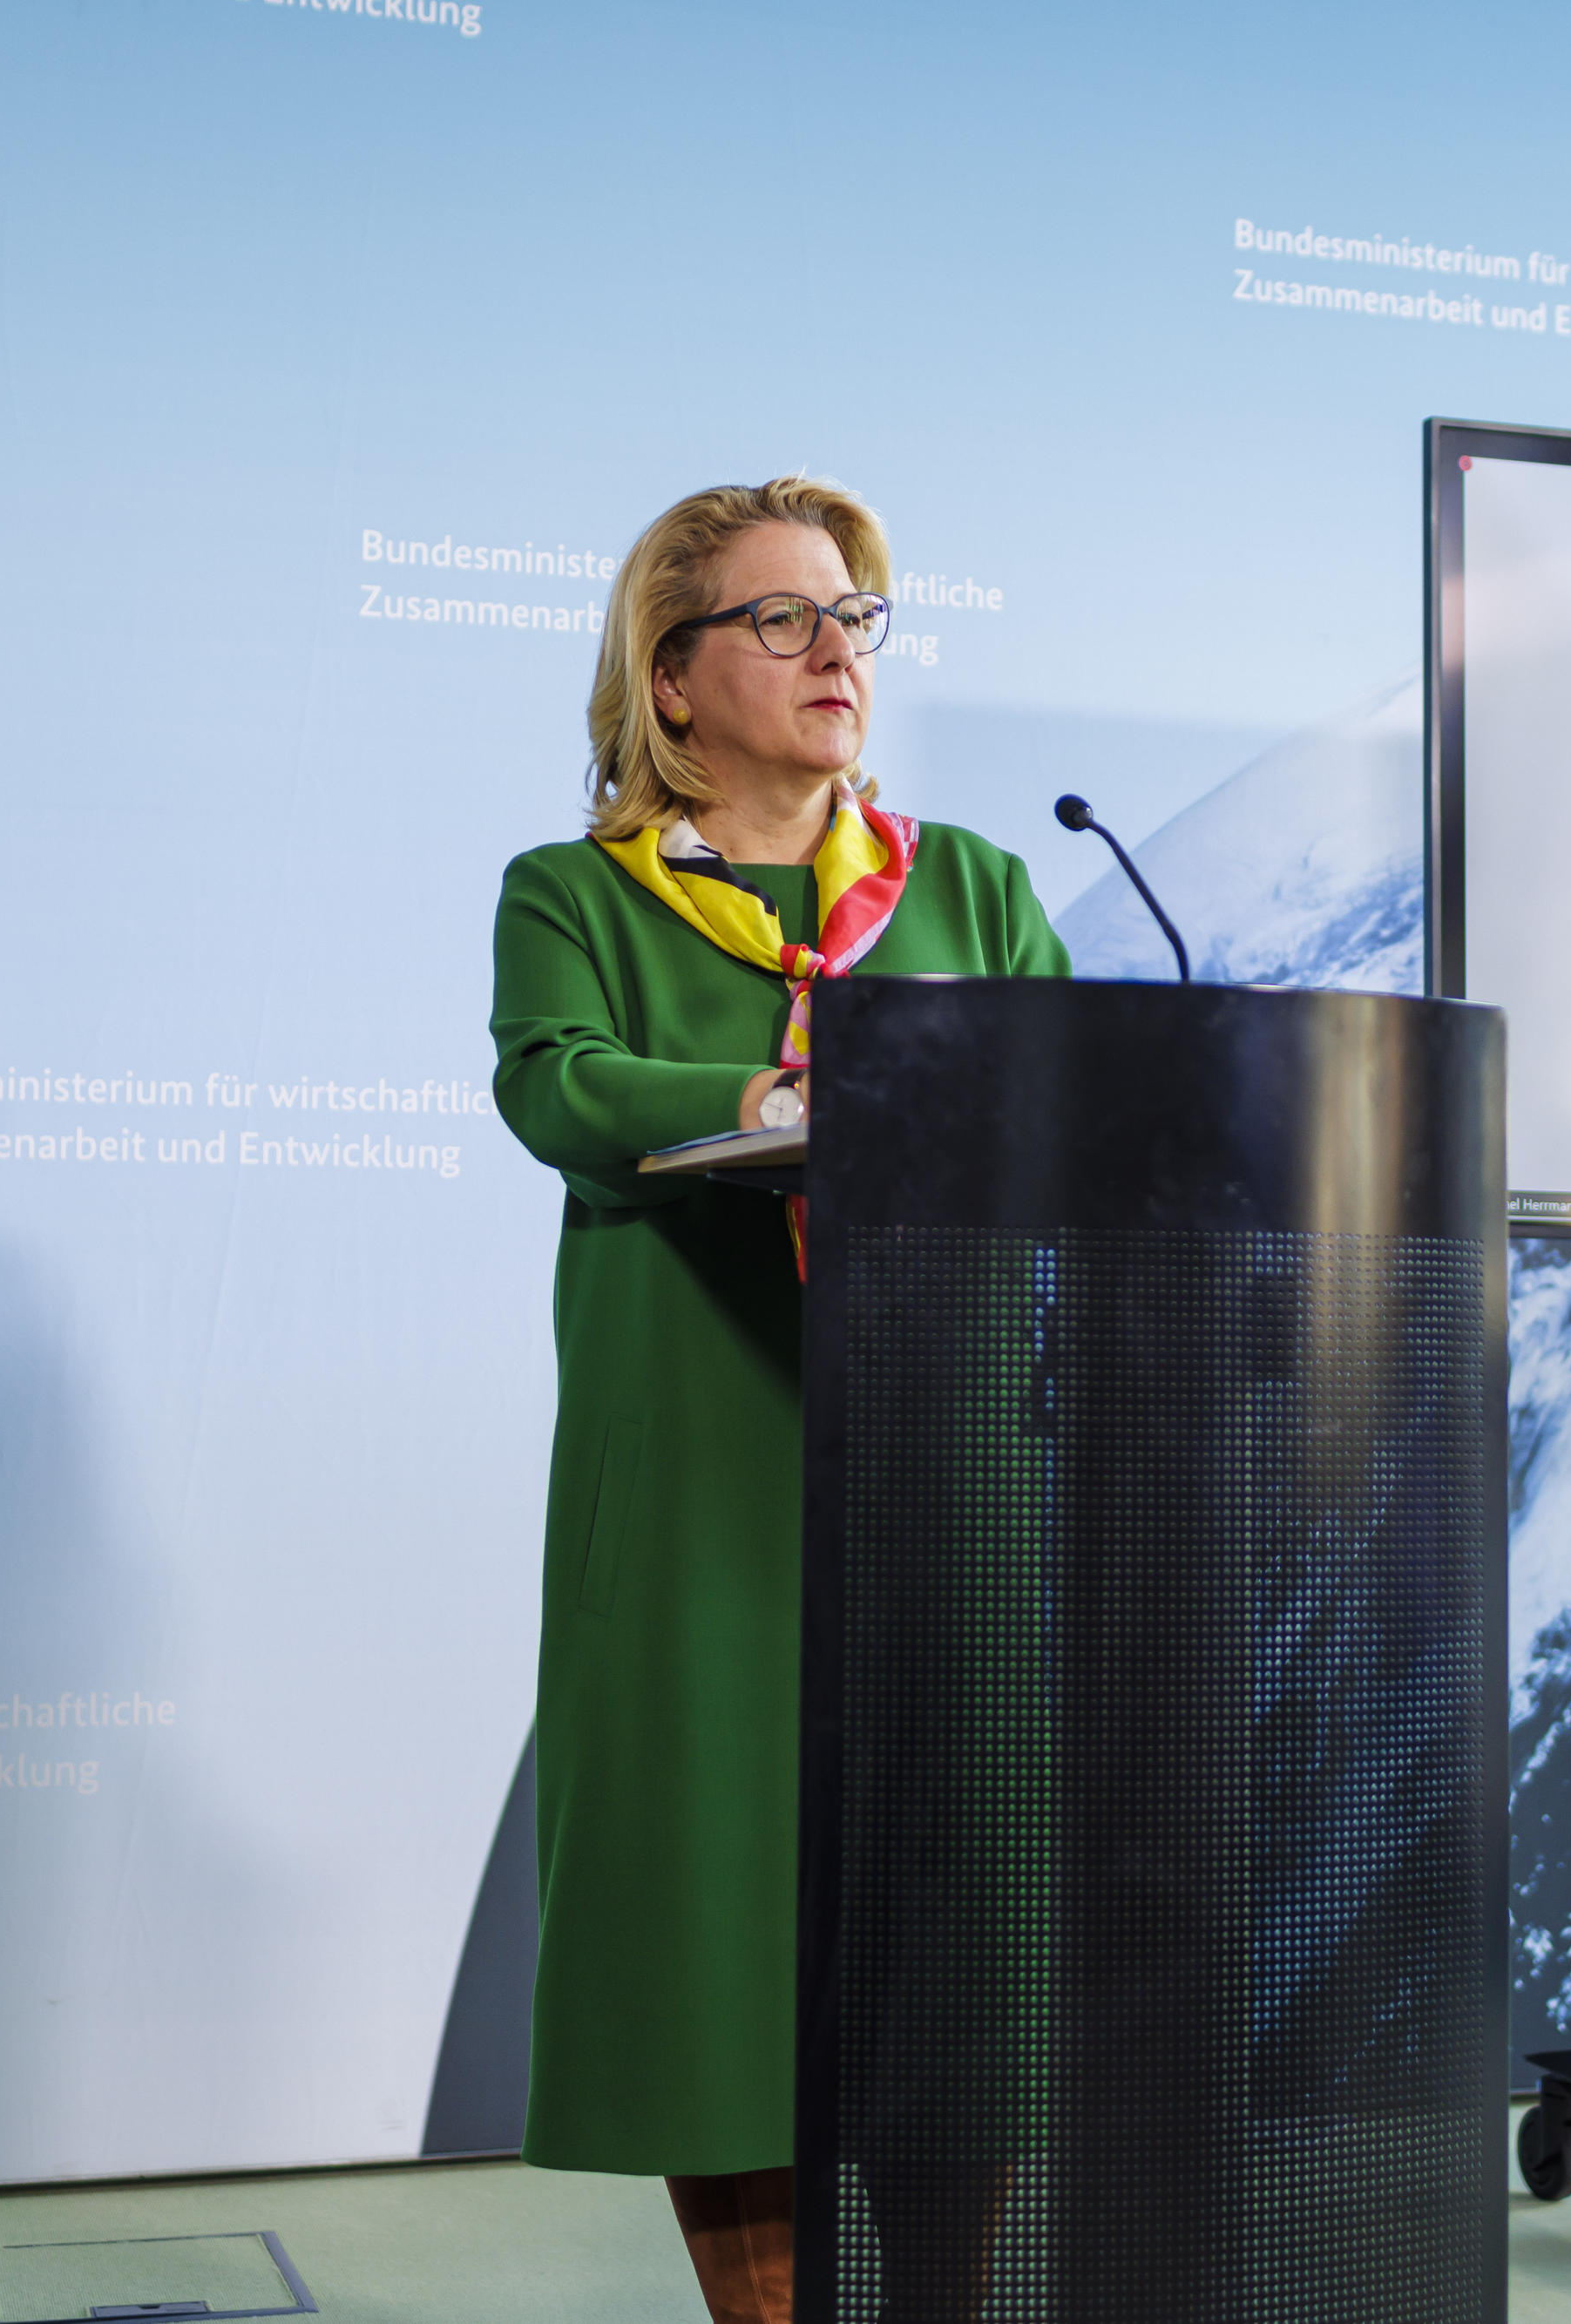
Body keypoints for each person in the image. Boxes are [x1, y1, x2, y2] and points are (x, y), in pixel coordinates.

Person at [489, 478, 1067, 2324]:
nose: (838, 653)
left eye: (853, 621)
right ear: (669, 682)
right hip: (703, 1475)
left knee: (951, 1916)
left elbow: (1060, 1097)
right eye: (783, 621)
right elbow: (557, 1084)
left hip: (946, 1463)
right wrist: (773, 1094)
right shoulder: (570, 894)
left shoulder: (968, 882)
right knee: (713, 1908)